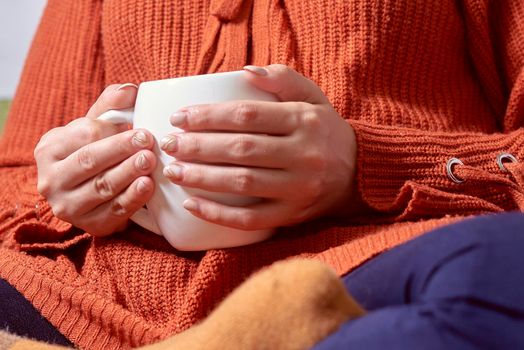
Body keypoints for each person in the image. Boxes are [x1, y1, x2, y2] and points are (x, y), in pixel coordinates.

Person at [0, 0, 522, 348]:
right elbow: (14, 180)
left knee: (502, 265)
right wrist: (73, 188)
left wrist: (367, 166)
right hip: (101, 292)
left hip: (370, 263)